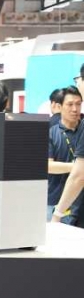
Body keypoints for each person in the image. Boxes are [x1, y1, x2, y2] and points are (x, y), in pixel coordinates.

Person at [52, 63, 84, 224]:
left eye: (78, 104)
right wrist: (74, 167)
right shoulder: (51, 131)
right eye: (70, 104)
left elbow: (79, 176)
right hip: (57, 198)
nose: (75, 109)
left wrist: (57, 214)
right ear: (59, 106)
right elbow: (46, 165)